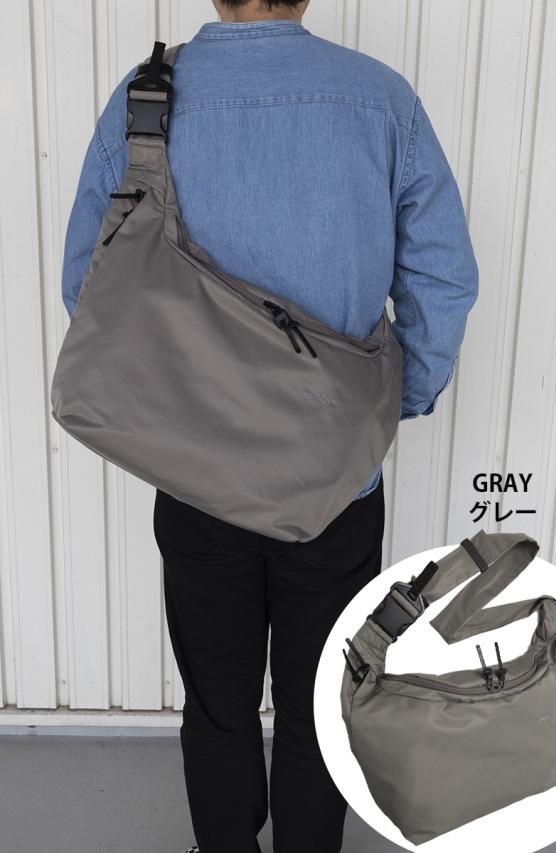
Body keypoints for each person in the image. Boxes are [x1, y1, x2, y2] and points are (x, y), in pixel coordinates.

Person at [60, 1, 479, 851]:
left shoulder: (147, 100)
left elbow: (91, 286)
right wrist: (385, 408)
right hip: (335, 485)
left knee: (217, 699)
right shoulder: (381, 100)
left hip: (197, 480)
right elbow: (443, 280)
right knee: (319, 698)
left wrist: (176, 400)